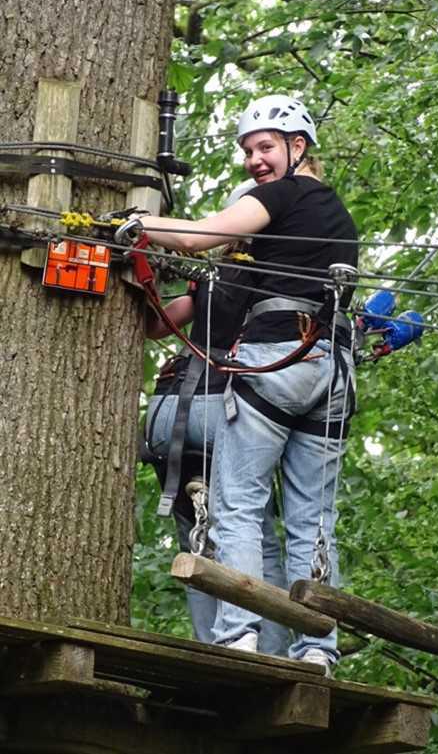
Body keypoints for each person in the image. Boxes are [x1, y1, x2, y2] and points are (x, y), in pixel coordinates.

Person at [129, 94, 359, 675]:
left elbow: (194, 238)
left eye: (264, 148)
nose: (254, 160)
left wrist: (132, 225)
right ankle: (316, 648)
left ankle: (238, 637)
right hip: (330, 367)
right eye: (248, 151)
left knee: (237, 506)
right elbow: (177, 308)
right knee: (312, 518)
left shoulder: (283, 196)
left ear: (297, 147)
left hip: (278, 361)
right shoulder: (333, 217)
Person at [142, 183, 290, 655]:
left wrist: (145, 275)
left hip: (170, 419)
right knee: (251, 532)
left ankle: (214, 648)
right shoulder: (280, 274)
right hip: (225, 409)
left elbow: (156, 325)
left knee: (197, 543)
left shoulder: (212, 274)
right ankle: (263, 652)